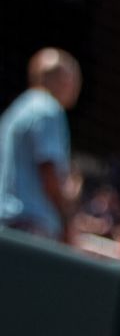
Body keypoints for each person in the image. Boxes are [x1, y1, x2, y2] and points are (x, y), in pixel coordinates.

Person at [1, 48, 83, 240]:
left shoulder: (17, 110)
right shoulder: (49, 109)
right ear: (62, 79)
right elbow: (49, 174)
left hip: (7, 224)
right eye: (74, 76)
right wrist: (67, 221)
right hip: (30, 228)